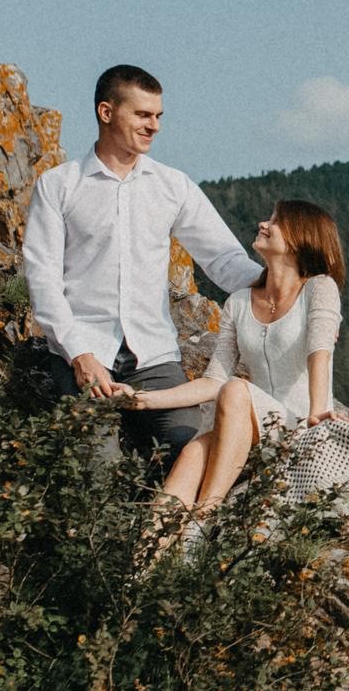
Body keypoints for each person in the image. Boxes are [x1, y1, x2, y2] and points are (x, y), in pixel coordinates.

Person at [20, 64, 262, 461]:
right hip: (83, 350)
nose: (155, 126)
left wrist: (285, 289)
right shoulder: (58, 186)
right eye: (143, 114)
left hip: (153, 356)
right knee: (94, 469)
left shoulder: (173, 186)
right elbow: (43, 279)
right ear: (106, 112)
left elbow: (223, 259)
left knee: (190, 451)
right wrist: (80, 355)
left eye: (158, 116)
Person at [117, 200, 347, 513]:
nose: (263, 224)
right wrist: (142, 399)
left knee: (237, 388)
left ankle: (207, 511)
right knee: (193, 453)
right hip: (250, 425)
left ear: (300, 237)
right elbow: (214, 380)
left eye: (275, 221)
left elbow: (319, 350)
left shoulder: (320, 287)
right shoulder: (239, 302)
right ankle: (155, 554)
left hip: (299, 424)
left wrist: (318, 412)